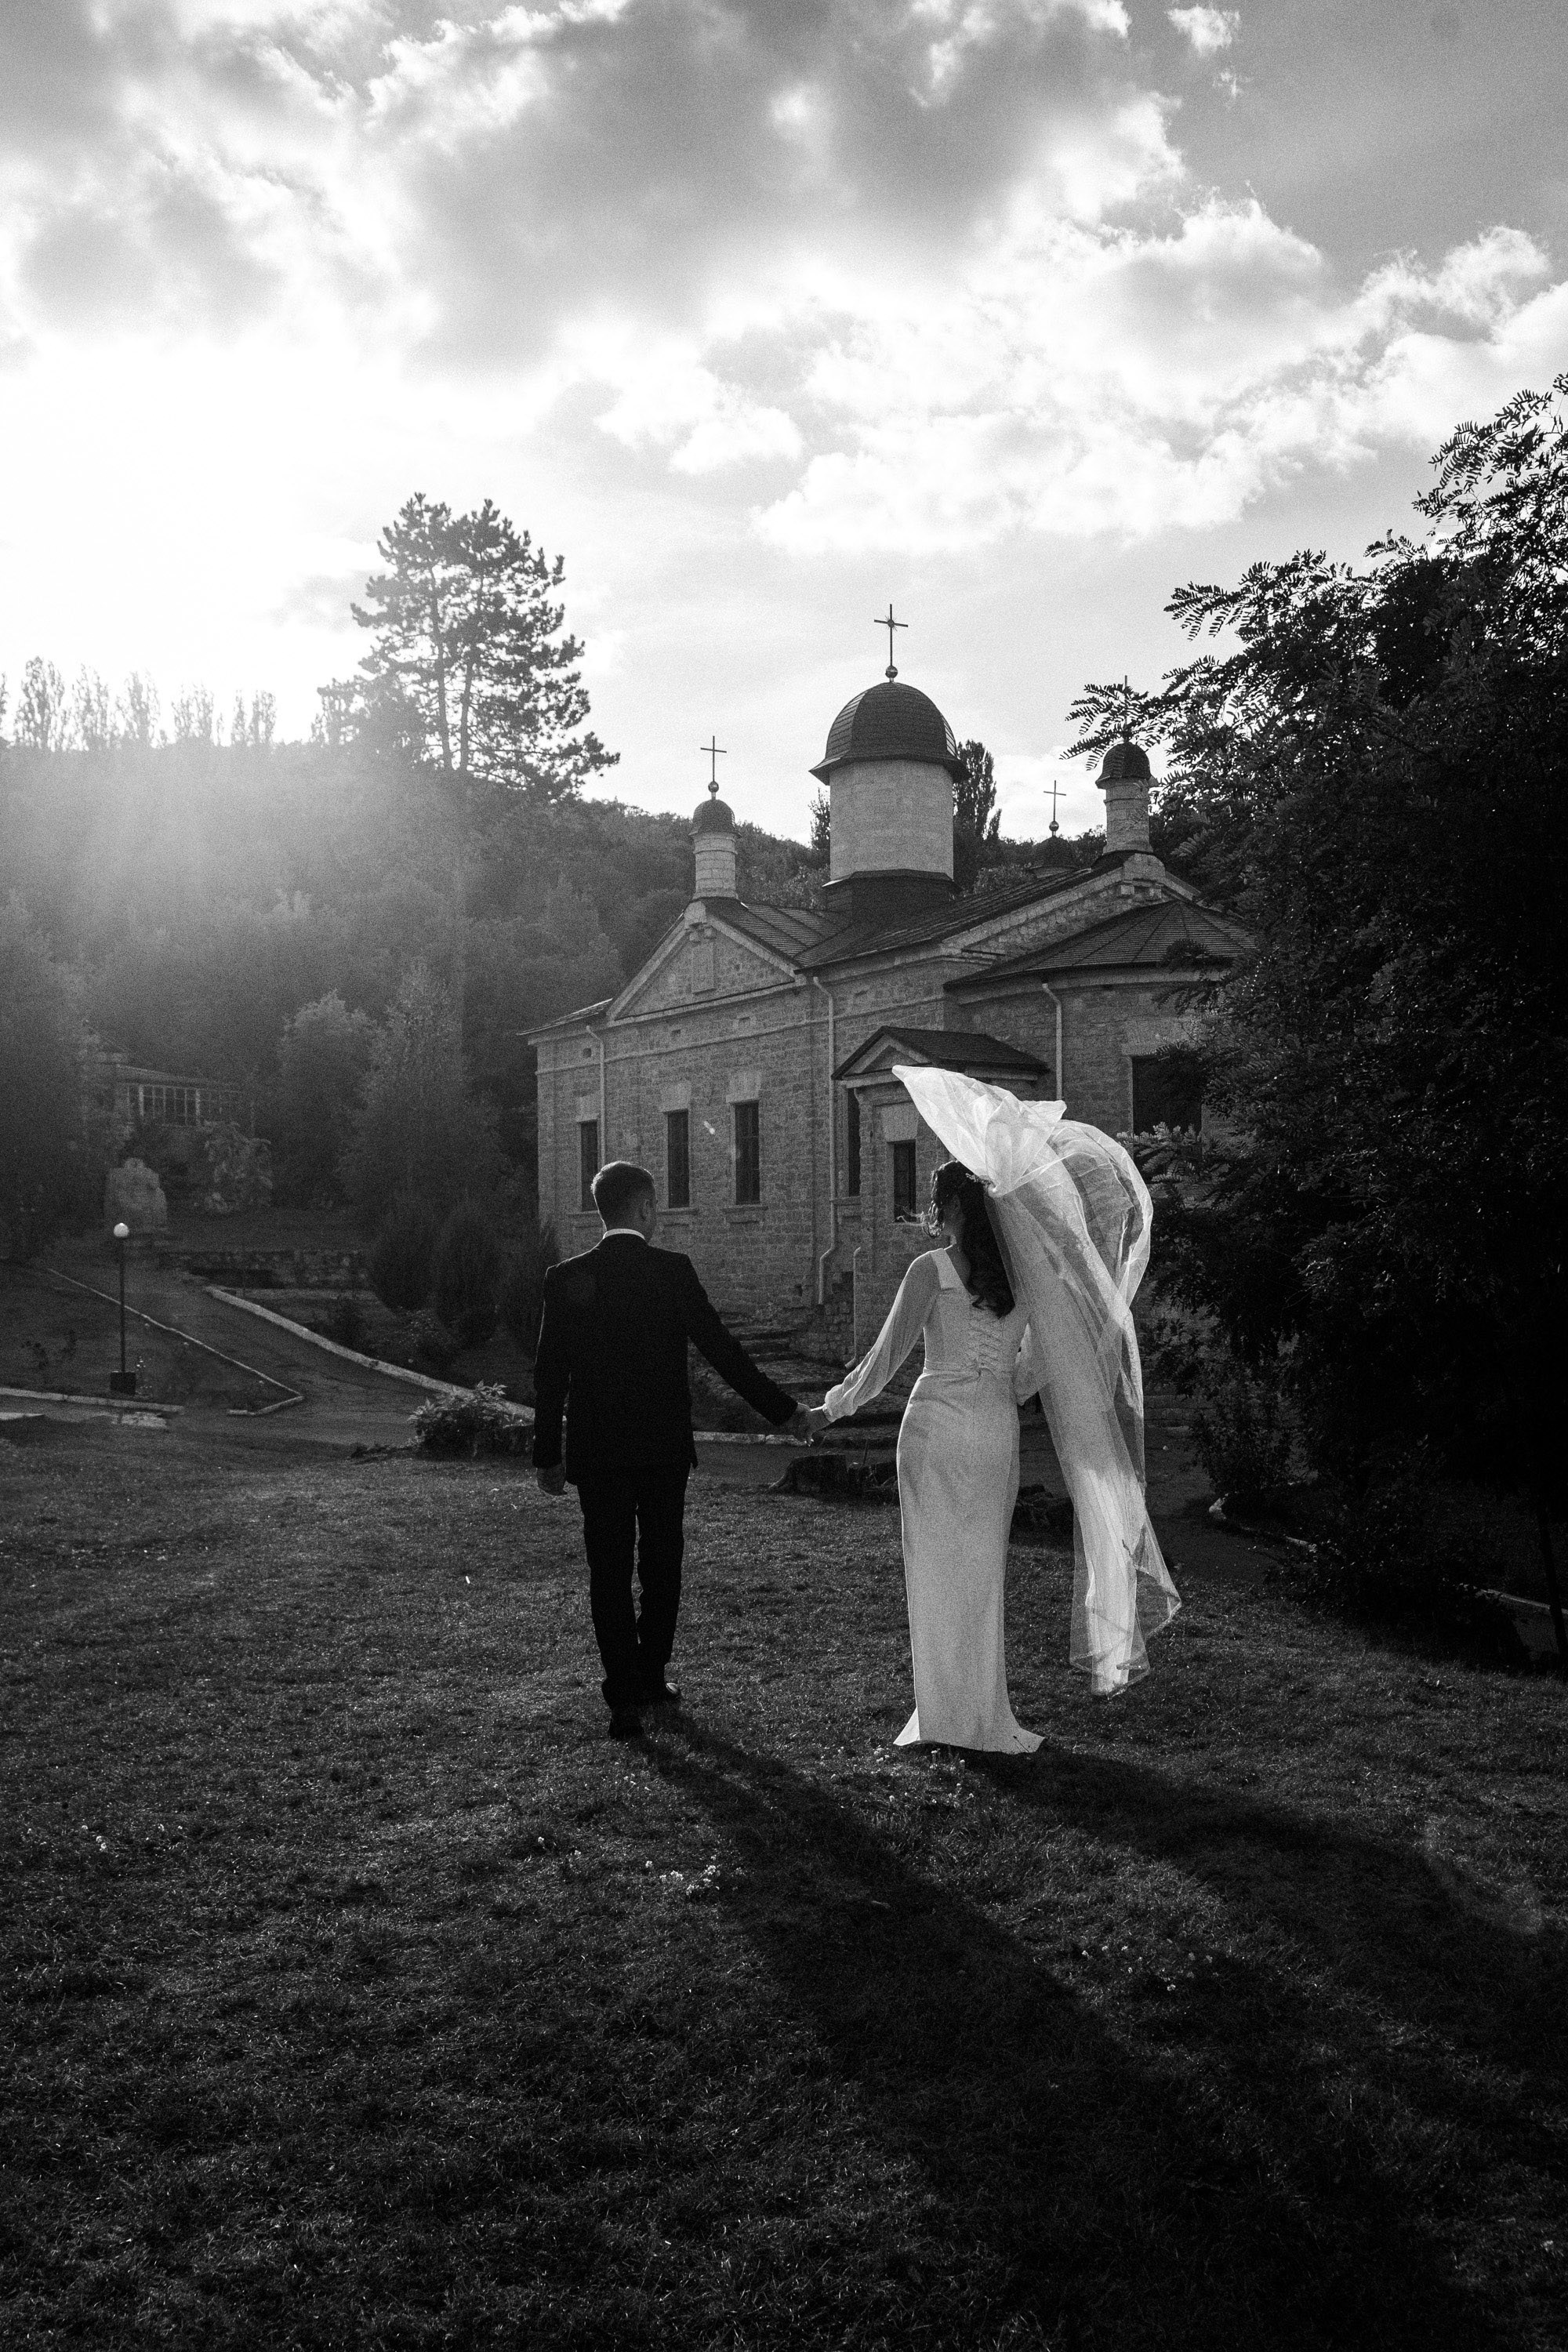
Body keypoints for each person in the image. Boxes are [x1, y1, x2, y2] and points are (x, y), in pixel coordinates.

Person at [533, 1159, 810, 1738]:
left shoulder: (566, 1278)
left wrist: (546, 1454)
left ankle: (623, 1699)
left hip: (599, 1450)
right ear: (644, 1208)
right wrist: (784, 1411)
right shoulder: (673, 1272)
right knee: (662, 1564)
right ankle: (652, 1673)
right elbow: (723, 1351)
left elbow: (548, 1374)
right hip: (662, 1450)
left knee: (607, 1571)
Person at [806, 1159, 1042, 1753]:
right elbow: (1036, 1367)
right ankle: (983, 1715)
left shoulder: (931, 1270)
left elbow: (886, 1358)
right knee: (983, 1571)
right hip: (994, 1428)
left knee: (935, 1570)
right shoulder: (1026, 1280)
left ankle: (943, 1716)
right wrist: (1001, 1386)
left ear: (954, 1209)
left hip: (935, 1426)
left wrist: (830, 1408)